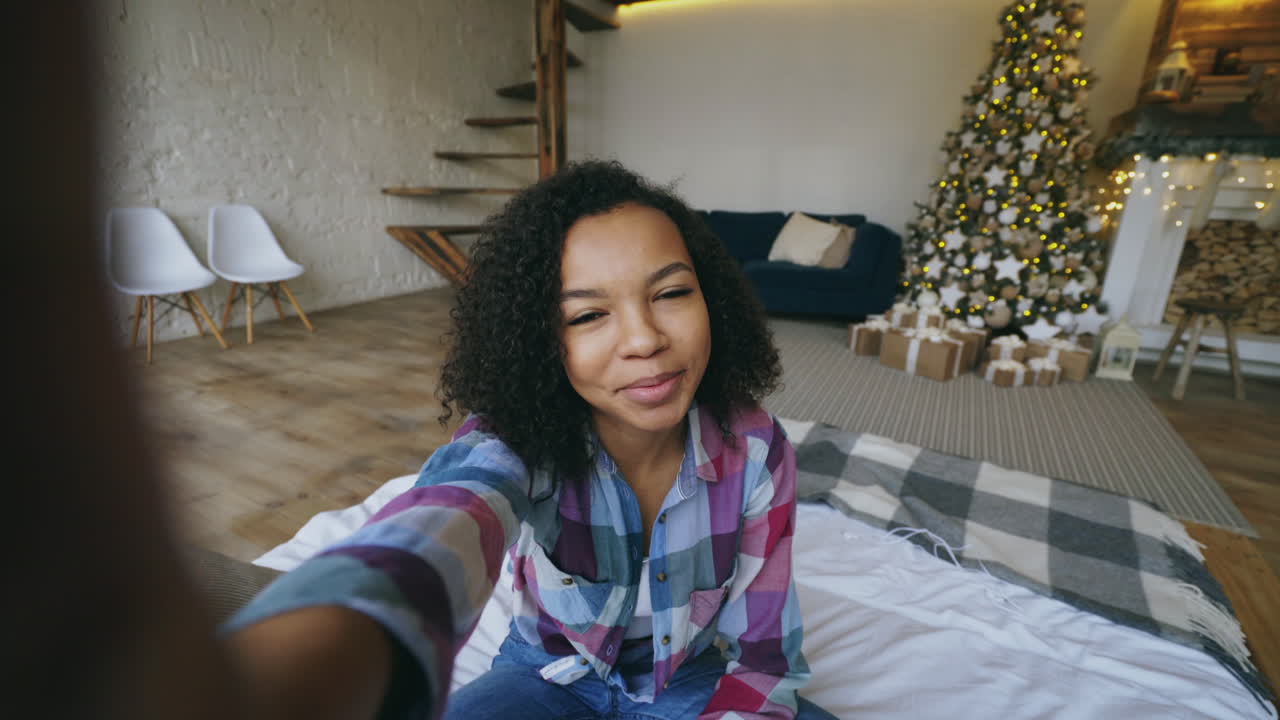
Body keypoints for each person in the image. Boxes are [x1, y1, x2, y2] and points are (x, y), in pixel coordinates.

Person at [224, 160, 838, 719]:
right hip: (547, 676)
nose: (645, 339)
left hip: (688, 682)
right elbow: (451, 511)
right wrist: (350, 625)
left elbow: (763, 660)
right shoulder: (521, 439)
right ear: (540, 340)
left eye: (672, 293)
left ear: (714, 300)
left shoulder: (755, 449)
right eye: (587, 315)